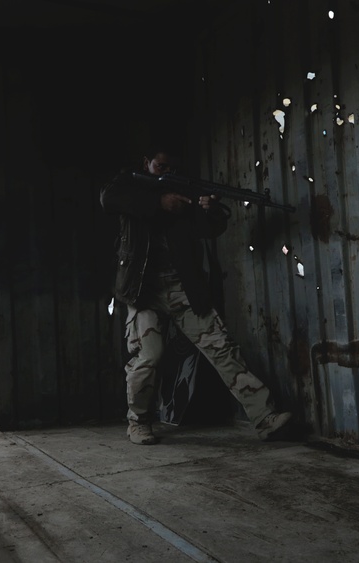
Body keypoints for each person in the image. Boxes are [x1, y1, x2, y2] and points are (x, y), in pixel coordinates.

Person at [99, 145, 293, 445]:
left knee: (222, 349)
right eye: (160, 167)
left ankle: (265, 418)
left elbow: (208, 229)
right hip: (143, 290)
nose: (167, 173)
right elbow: (108, 198)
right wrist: (160, 202)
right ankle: (138, 422)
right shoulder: (129, 185)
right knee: (149, 356)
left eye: (171, 168)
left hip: (184, 287)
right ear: (146, 163)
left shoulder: (182, 190)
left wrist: (209, 210)